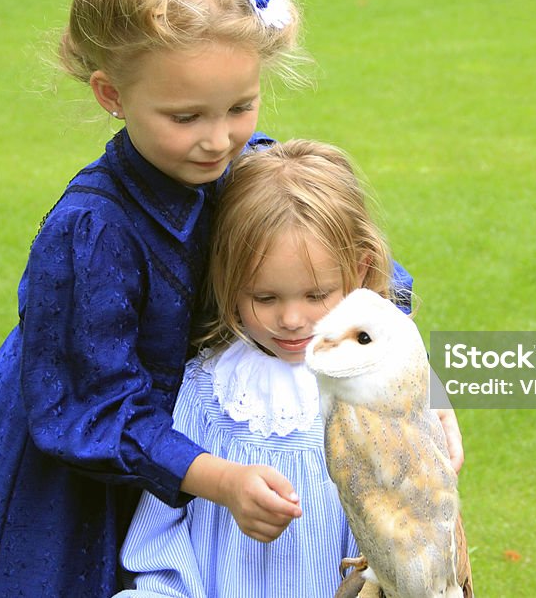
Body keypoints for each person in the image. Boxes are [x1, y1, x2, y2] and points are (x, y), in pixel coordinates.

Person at [0, 0, 313, 596]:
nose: (218, 138)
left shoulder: (248, 171)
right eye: (186, 116)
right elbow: (94, 409)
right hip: (77, 474)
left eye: (241, 107)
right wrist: (218, 477)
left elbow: (341, 260)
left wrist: (411, 379)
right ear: (111, 95)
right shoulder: (93, 231)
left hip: (194, 448)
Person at [116, 140, 412, 597]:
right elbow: (162, 529)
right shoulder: (208, 390)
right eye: (265, 297)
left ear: (360, 270)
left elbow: (401, 520)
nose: (292, 320)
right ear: (226, 280)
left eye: (316, 295)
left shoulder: (374, 390)